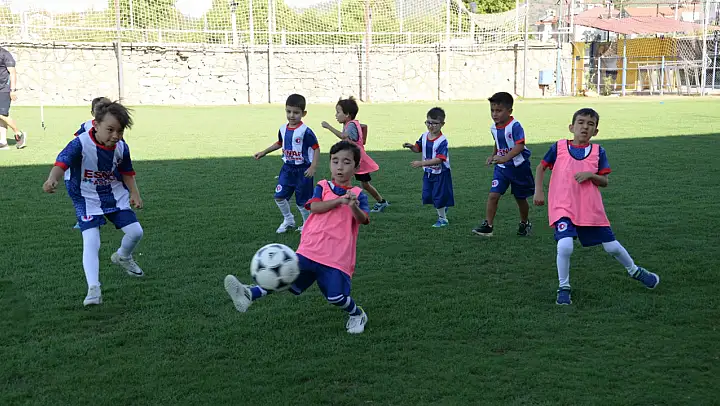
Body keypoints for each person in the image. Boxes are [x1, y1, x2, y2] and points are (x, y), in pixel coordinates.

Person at [225, 140, 370, 334]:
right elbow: (314, 207)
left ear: (356, 167)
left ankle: (357, 314)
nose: (340, 167)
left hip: (337, 257)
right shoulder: (323, 186)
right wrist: (339, 201)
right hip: (310, 249)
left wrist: (352, 205)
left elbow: (364, 219)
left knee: (336, 297)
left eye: (346, 162)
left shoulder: (358, 194)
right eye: (335, 161)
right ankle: (249, 294)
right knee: (285, 275)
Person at [533, 108, 660, 305]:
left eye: (590, 124)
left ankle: (635, 271)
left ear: (596, 131)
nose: (585, 127)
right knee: (565, 246)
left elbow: (604, 181)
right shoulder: (558, 147)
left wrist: (591, 175)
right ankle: (563, 288)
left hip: (590, 208)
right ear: (571, 127)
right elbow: (541, 167)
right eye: (581, 122)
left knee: (612, 247)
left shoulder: (598, 151)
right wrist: (538, 191)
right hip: (563, 206)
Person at [42, 102, 145, 306]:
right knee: (91, 241)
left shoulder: (122, 147)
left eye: (120, 131)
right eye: (110, 130)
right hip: (85, 196)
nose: (115, 135)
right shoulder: (79, 144)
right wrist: (52, 179)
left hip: (113, 194)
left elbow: (127, 172)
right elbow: (61, 163)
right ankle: (93, 288)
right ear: (96, 125)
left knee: (136, 232)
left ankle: (123, 256)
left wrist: (135, 193)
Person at [254, 94, 320, 234]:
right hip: (287, 169)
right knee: (279, 196)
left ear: (303, 113)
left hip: (303, 170)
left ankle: (307, 224)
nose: (291, 115)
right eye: (288, 111)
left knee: (302, 201)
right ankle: (288, 219)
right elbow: (279, 143)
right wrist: (264, 152)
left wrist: (313, 166)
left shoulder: (306, 131)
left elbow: (316, 148)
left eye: (296, 112)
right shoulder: (283, 129)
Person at [473, 92, 533, 237]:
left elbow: (520, 146)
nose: (494, 114)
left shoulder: (515, 126)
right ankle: (488, 226)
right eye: (492, 110)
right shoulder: (494, 127)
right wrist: (493, 155)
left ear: (509, 111)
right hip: (501, 168)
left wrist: (505, 158)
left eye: (499, 110)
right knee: (493, 195)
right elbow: (498, 142)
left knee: (520, 198)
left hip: (519, 167)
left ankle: (524, 223)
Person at [321, 96, 389, 213]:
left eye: (338, 112)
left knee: (364, 184)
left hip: (358, 161)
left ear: (347, 114)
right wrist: (363, 141)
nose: (336, 115)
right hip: (351, 159)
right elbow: (364, 126)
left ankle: (381, 202)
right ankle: (338, 201)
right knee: (338, 178)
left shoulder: (351, 125)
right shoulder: (351, 123)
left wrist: (328, 126)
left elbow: (344, 136)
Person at [402, 107, 454, 227]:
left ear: (442, 124)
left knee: (438, 196)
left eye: (434, 123)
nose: (431, 126)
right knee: (427, 195)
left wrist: (421, 163)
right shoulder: (424, 136)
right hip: (429, 172)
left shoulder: (442, 141)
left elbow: (439, 159)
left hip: (441, 173)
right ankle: (443, 207)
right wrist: (411, 146)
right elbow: (418, 148)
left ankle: (443, 219)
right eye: (428, 122)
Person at [0, 46, 26, 150]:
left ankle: (18, 132)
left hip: (5, 88)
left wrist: (12, 90)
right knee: (2, 115)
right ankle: (3, 142)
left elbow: (13, 73)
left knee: (2, 114)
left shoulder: (5, 54)